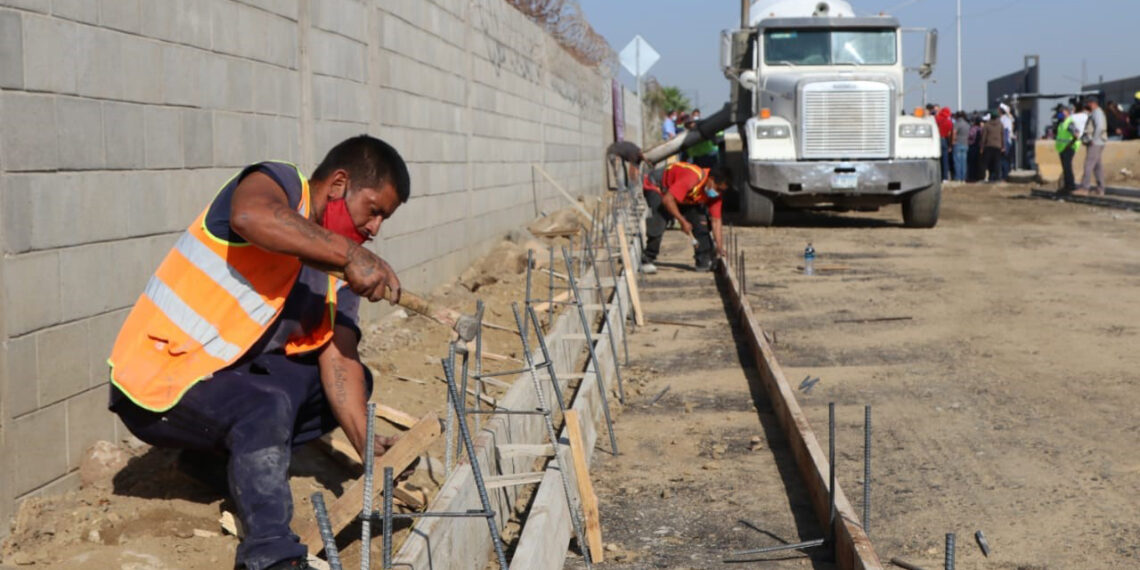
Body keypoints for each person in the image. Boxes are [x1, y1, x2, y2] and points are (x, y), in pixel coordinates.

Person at [107, 135, 410, 570]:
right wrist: (350, 253)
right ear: (340, 183)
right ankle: (271, 553)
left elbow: (339, 363)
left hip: (218, 381)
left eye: (385, 219)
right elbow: (250, 215)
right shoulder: (281, 184)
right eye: (374, 210)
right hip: (157, 380)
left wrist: (367, 447)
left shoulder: (335, 276)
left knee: (342, 386)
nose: (375, 228)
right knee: (264, 405)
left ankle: (211, 464)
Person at [642, 161, 731, 271]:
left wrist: (719, 246)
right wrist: (682, 221)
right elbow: (667, 200)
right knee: (660, 219)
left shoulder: (715, 195)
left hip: (683, 196)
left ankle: (703, 260)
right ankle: (647, 257)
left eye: (722, 191)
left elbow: (716, 221)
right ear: (711, 180)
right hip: (658, 187)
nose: (718, 193)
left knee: (700, 222)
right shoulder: (692, 177)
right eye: (718, 189)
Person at [1076, 98, 1108, 196]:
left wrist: (1093, 139)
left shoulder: (1097, 113)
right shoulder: (1096, 112)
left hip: (1096, 142)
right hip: (1098, 142)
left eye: (1088, 103)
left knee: (1088, 165)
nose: (1087, 105)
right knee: (1097, 166)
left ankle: (1084, 188)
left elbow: (1099, 127)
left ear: (1093, 103)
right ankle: (1100, 188)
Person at [1054, 105, 1082, 194]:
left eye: (1063, 111)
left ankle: (1070, 186)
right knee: (1065, 168)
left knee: (1067, 167)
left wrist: (1070, 144)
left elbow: (1076, 135)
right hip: (1062, 148)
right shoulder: (1062, 123)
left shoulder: (1069, 123)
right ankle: (1067, 186)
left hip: (1069, 147)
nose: (1060, 113)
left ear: (1067, 112)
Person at [979, 111, 1005, 183]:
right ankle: (997, 178)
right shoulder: (1000, 125)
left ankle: (986, 177)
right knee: (997, 163)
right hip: (998, 146)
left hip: (988, 146)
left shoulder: (987, 125)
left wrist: (982, 147)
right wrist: (1003, 146)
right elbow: (1002, 136)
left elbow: (983, 137)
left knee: (986, 163)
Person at [935, 105, 952, 181]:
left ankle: (937, 176)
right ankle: (945, 177)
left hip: (936, 140)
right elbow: (949, 134)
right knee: (945, 160)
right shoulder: (949, 122)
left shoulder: (936, 119)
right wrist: (950, 145)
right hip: (944, 140)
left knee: (936, 160)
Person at [952, 111, 970, 182]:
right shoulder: (967, 124)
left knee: (957, 162)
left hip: (958, 143)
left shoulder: (956, 124)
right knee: (964, 162)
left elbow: (954, 133)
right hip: (965, 144)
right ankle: (963, 177)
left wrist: (953, 141)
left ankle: (958, 177)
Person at [999, 103, 1016, 179]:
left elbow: (1005, 133)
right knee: (1007, 159)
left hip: (1005, 142)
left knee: (1004, 160)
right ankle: (1006, 174)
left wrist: (1003, 145)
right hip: (1008, 141)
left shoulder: (1003, 119)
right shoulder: (1008, 118)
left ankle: (1005, 176)